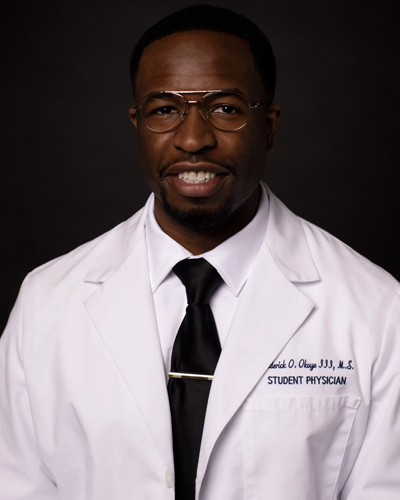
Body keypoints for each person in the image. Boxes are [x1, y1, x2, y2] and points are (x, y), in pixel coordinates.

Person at [1, 4, 399, 500]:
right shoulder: (45, 303)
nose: (193, 139)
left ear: (269, 127)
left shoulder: (378, 310)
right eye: (165, 109)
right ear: (137, 124)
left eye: (226, 108)